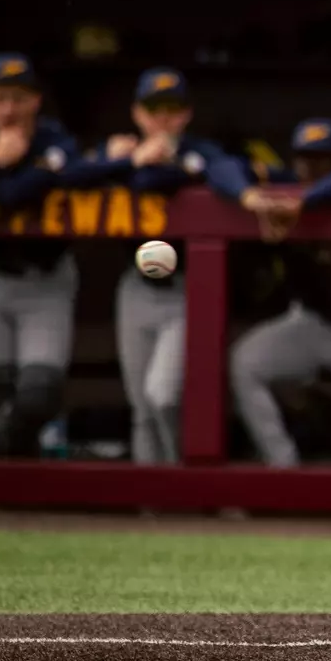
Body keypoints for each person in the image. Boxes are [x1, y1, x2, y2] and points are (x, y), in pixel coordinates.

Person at [0, 54, 153, 458]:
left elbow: (16, 194)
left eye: (19, 98)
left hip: (46, 277)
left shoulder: (55, 139)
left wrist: (1, 174)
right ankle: (8, 490)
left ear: (35, 101)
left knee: (38, 394)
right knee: (0, 393)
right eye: (0, 98)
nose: (9, 109)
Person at [225, 119, 331, 468]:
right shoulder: (285, 186)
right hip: (310, 324)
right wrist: (251, 196)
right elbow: (227, 167)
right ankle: (282, 465)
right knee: (246, 362)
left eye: (323, 159)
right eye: (305, 159)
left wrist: (302, 204)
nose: (313, 167)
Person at [104, 67, 250, 464]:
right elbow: (77, 177)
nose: (163, 118)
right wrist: (129, 161)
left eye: (172, 109)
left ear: (186, 113)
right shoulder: (123, 152)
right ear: (138, 112)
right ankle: (150, 502)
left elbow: (232, 171)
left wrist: (180, 167)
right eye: (154, 109)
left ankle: (179, 479)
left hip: (185, 289)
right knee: (141, 407)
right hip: (137, 286)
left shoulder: (202, 152)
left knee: (163, 395)